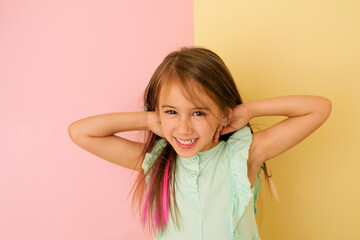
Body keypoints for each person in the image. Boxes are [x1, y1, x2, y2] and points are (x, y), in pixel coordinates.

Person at [68, 46, 332, 240]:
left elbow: (319, 109)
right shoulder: (159, 161)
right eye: (171, 112)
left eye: (198, 113)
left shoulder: (242, 156)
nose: (183, 128)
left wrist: (247, 111)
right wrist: (151, 120)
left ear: (224, 113)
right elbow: (80, 132)